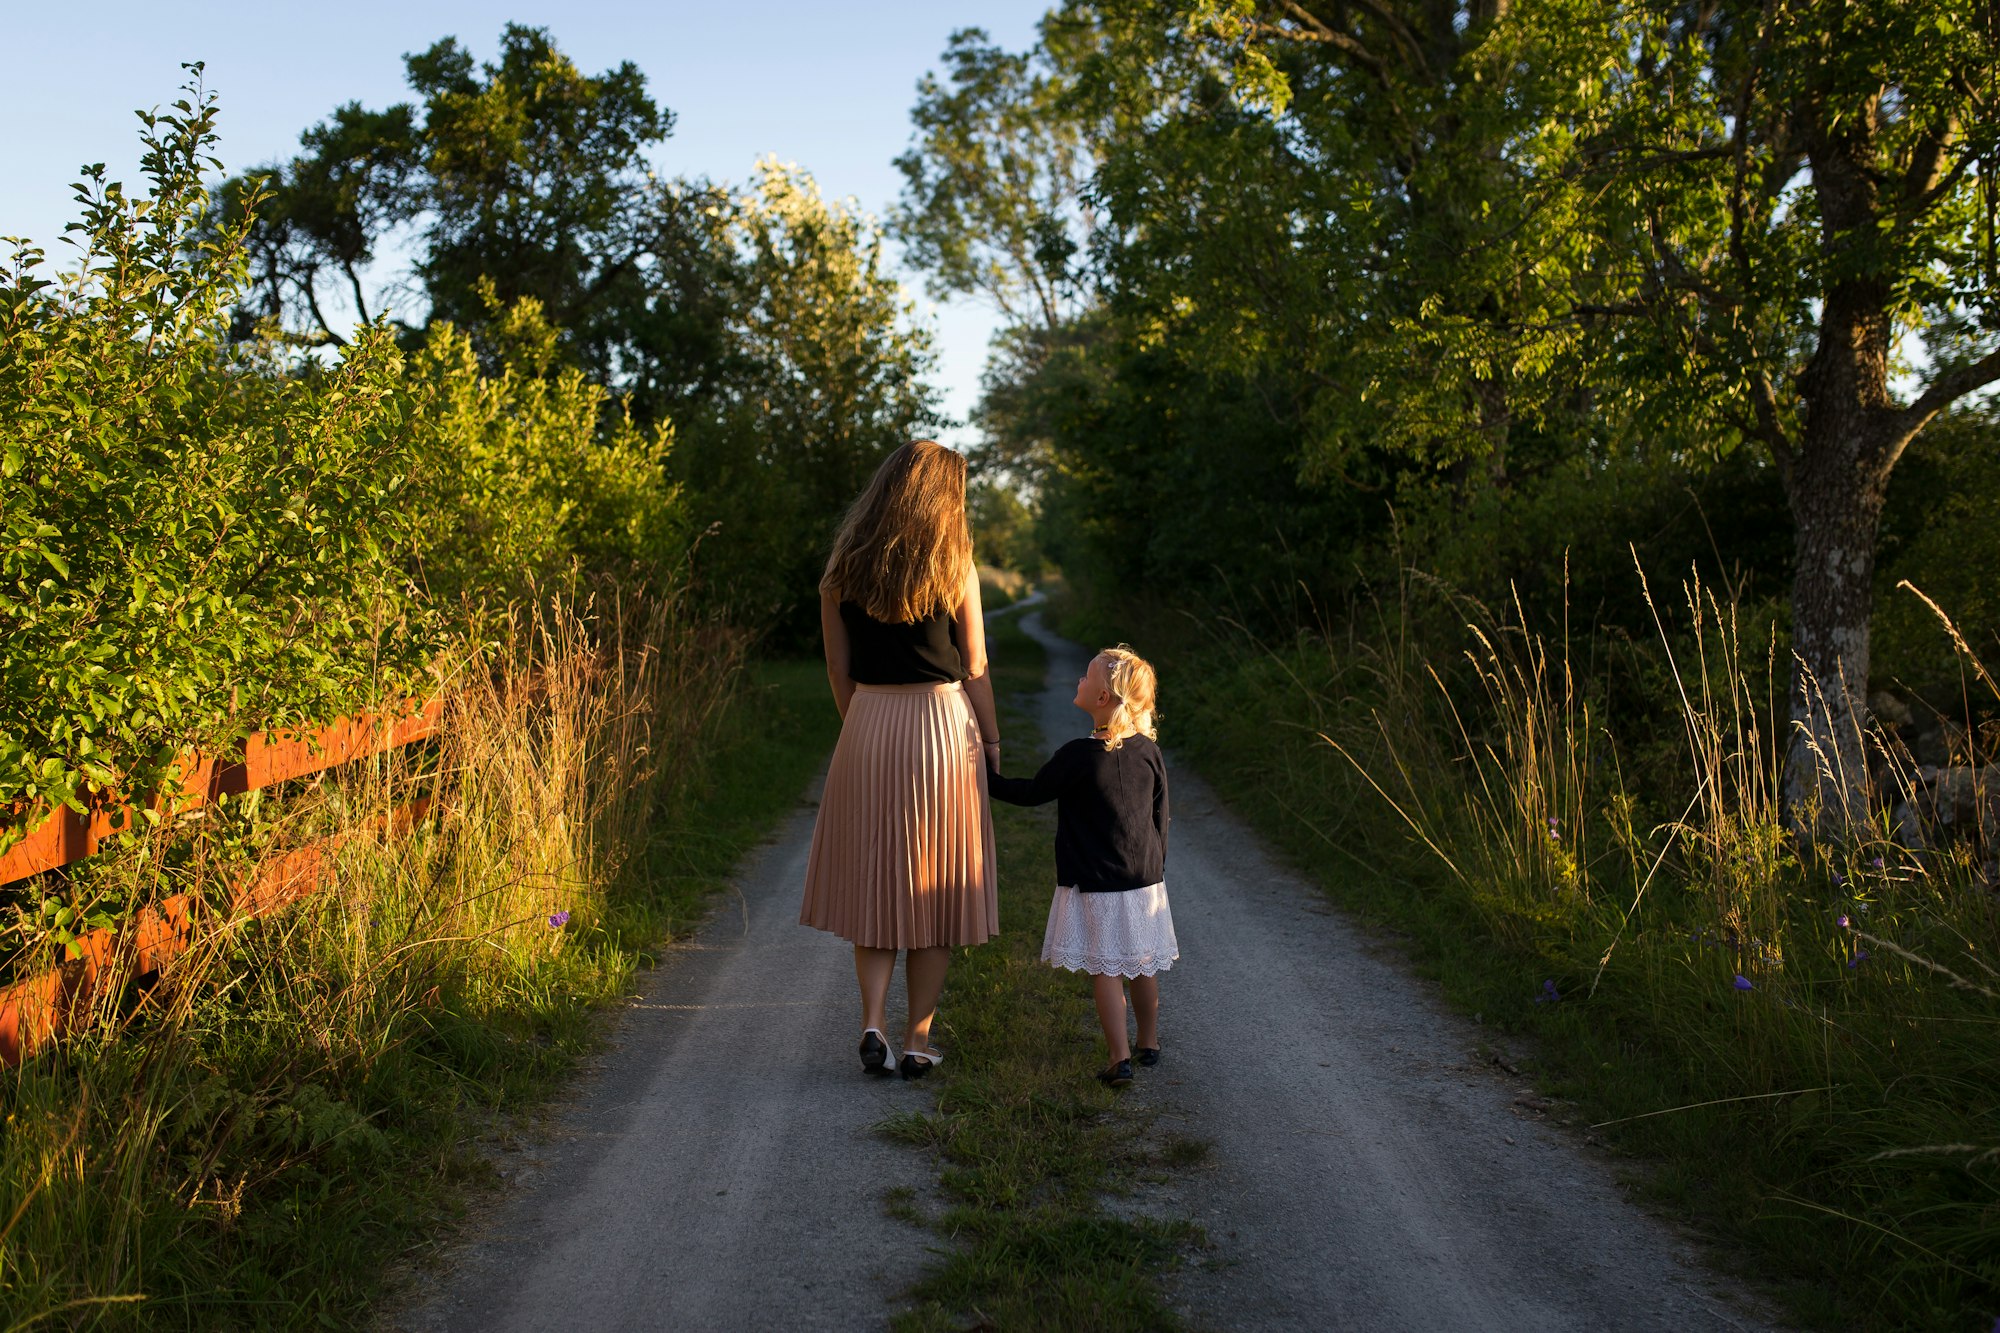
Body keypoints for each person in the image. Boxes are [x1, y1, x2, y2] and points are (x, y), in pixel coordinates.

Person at [800, 440, 1001, 1080]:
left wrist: (860, 724)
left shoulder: (841, 568)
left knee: (877, 882)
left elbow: (837, 667)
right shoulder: (955, 564)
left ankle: (872, 1024)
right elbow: (974, 666)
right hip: (941, 725)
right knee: (935, 884)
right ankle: (917, 1040)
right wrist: (992, 742)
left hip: (869, 721)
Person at [986, 645, 1176, 1087]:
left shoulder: (1077, 755)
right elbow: (1160, 814)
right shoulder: (1148, 750)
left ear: (1103, 698)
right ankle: (1149, 1042)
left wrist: (983, 777)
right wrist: (1156, 868)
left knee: (1107, 969)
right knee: (1142, 964)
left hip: (1097, 880)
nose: (1078, 681)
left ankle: (1118, 1058)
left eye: (1086, 677)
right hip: (1144, 879)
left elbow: (1032, 792)